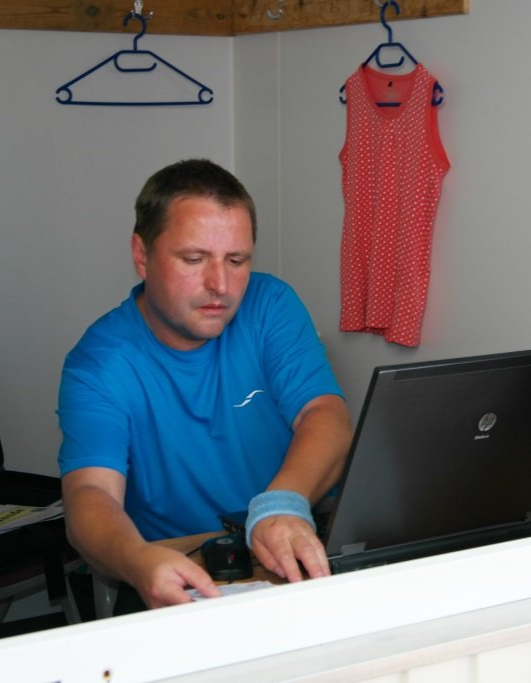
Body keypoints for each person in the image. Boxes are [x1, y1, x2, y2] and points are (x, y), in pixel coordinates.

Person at [57, 159, 353, 610]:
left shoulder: (270, 304)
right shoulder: (98, 364)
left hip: (289, 548)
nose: (220, 285)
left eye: (236, 261)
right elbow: (89, 495)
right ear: (142, 255)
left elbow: (325, 415)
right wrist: (138, 560)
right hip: (181, 571)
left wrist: (281, 504)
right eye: (194, 260)